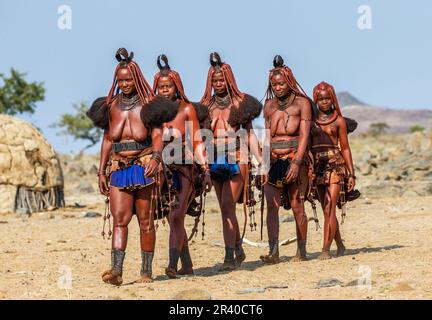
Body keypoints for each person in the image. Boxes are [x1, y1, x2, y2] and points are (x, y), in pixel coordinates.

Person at [87, 48, 177, 285]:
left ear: (136, 78)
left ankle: (146, 272)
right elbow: (108, 139)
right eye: (121, 80)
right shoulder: (111, 106)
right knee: (120, 219)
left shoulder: (149, 105)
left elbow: (157, 134)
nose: (125, 84)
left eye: (128, 79)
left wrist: (157, 159)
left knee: (145, 221)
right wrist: (101, 171)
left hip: (144, 165)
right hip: (119, 168)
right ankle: (116, 270)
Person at [200, 52, 264, 271]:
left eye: (222, 80)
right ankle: (238, 248)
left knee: (228, 207)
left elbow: (251, 135)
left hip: (237, 157)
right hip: (213, 159)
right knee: (224, 209)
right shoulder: (207, 106)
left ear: (229, 80)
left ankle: (229, 258)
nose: (218, 84)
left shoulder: (240, 104)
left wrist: (261, 161)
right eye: (215, 80)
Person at [152, 54, 212, 278]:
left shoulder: (186, 109)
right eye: (161, 87)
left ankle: (172, 264)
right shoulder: (153, 111)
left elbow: (197, 139)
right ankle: (187, 265)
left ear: (176, 87)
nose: (165, 90)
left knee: (176, 215)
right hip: (162, 168)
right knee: (170, 216)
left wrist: (205, 169)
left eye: (168, 86)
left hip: (185, 167)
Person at [260, 55, 312, 264]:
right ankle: (274, 252)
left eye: (281, 83)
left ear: (289, 82)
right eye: (274, 84)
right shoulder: (269, 106)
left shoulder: (302, 104)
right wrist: (264, 164)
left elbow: (305, 134)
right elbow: (266, 137)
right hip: (274, 162)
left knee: (297, 204)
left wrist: (298, 161)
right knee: (272, 205)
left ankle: (302, 251)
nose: (278, 87)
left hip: (294, 160)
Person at [311, 81, 357, 259]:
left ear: (333, 99)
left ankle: (325, 249)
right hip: (317, 169)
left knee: (330, 208)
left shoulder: (338, 121)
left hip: (335, 167)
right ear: (316, 99)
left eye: (327, 98)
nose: (324, 102)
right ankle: (340, 244)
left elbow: (345, 148)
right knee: (326, 209)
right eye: (321, 99)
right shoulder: (311, 121)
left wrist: (351, 173)